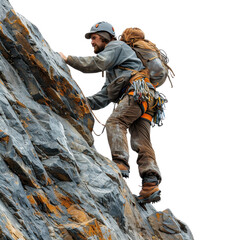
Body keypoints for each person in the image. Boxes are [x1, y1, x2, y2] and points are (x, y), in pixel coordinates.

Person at [59, 21, 161, 204]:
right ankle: (150, 184)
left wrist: (68, 60)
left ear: (105, 37)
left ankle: (120, 163)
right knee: (141, 140)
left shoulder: (116, 46)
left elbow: (98, 62)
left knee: (115, 122)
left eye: (94, 37)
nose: (92, 42)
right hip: (147, 99)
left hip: (137, 93)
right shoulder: (117, 68)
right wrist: (82, 103)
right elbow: (105, 95)